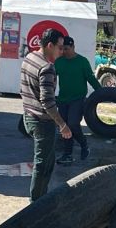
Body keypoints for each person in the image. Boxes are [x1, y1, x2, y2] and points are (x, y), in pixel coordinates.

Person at [21, 28, 71, 201]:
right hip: (42, 121)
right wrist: (62, 124)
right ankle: (36, 203)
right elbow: (48, 102)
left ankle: (40, 199)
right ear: (49, 45)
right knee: (43, 165)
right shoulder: (47, 67)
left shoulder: (29, 57)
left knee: (47, 161)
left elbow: (23, 88)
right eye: (59, 47)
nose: (62, 51)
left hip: (29, 116)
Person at [54, 36, 100, 165]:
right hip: (63, 99)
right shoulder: (59, 62)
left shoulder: (82, 62)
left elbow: (91, 79)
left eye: (66, 49)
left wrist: (102, 93)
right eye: (62, 49)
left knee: (73, 123)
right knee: (64, 126)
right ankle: (67, 154)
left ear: (73, 47)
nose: (64, 51)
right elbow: (51, 79)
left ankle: (84, 145)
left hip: (78, 99)